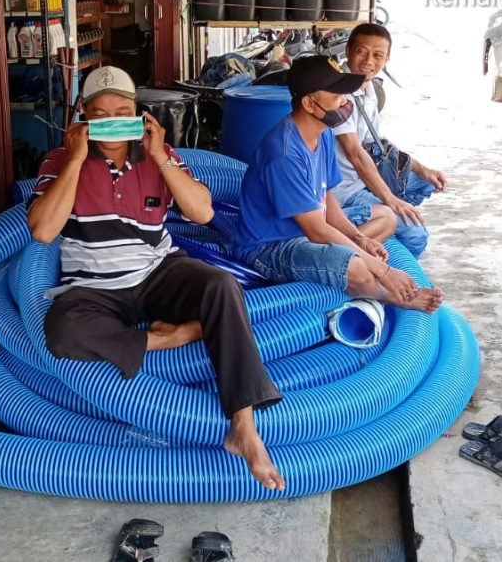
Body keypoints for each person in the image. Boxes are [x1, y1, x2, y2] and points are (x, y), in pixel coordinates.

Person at [27, 66, 286, 491]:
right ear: (83, 118)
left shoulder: (160, 156)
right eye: (100, 113)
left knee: (220, 286)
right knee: (62, 331)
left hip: (156, 272)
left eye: (123, 111)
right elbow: (42, 230)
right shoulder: (59, 161)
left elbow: (202, 213)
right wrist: (75, 158)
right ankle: (173, 337)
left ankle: (243, 425)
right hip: (94, 288)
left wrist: (162, 155)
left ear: (140, 114)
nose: (112, 120)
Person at [232, 56, 443, 313]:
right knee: (353, 265)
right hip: (270, 247)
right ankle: (389, 294)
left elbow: (327, 199)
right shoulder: (284, 153)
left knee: (385, 220)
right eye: (337, 97)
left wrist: (358, 237)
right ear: (310, 103)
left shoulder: (323, 135)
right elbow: (317, 230)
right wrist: (383, 270)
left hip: (308, 233)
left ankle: (355, 269)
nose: (345, 103)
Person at [330, 24, 446, 259]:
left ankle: (384, 226)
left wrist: (422, 169)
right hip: (342, 190)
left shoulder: (367, 86)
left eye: (378, 55)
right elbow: (355, 153)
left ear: (387, 58)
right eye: (362, 52)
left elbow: (375, 142)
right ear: (349, 50)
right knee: (417, 235)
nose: (368, 61)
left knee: (426, 182)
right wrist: (390, 201)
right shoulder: (338, 92)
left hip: (362, 179)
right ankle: (384, 257)